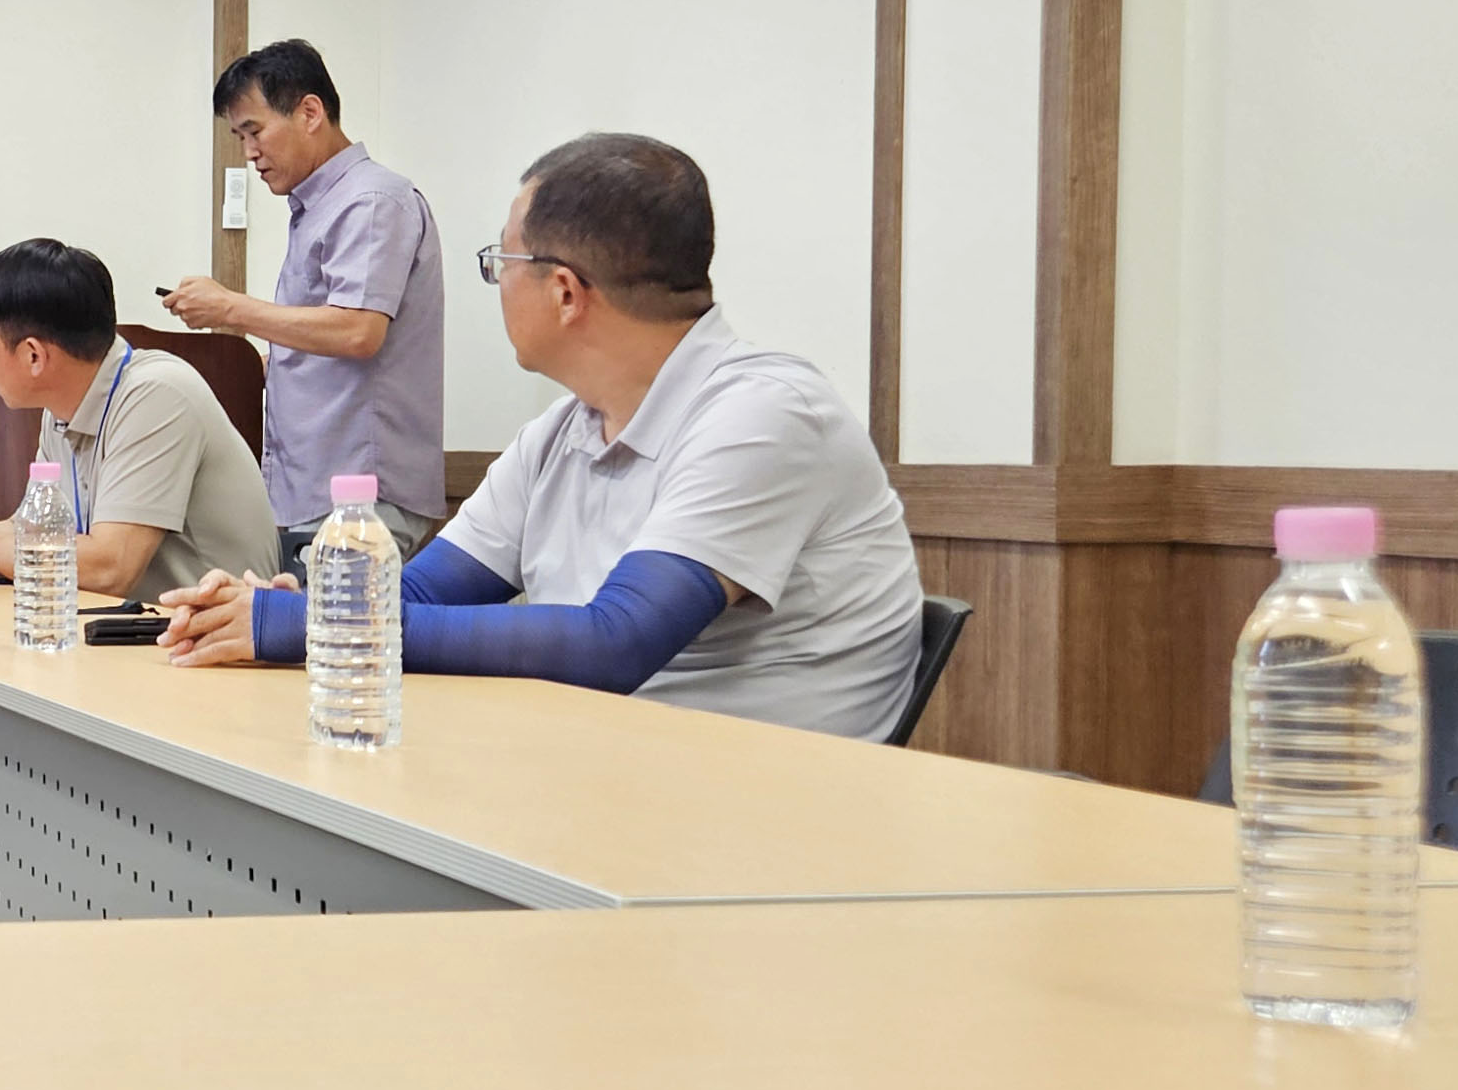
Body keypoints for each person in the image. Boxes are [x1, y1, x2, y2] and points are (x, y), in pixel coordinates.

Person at [160, 133, 922, 741]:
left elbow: (615, 642)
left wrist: (310, 627)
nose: (496, 282)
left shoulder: (764, 414)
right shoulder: (561, 431)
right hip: (605, 769)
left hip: (769, 815)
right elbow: (416, 595)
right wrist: (305, 601)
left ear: (563, 291)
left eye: (502, 262)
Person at [159, 39, 449, 573]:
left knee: (339, 650)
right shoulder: (320, 207)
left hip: (361, 492)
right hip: (315, 491)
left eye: (255, 130)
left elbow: (359, 331)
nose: (248, 152)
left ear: (310, 112)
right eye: (238, 136)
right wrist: (276, 364)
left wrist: (230, 310)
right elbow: (333, 334)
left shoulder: (370, 201)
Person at [0, 239, 272, 603]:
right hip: (141, 638)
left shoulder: (158, 395)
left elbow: (111, 567)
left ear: (34, 355)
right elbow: (32, 538)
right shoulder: (62, 412)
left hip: (220, 650)